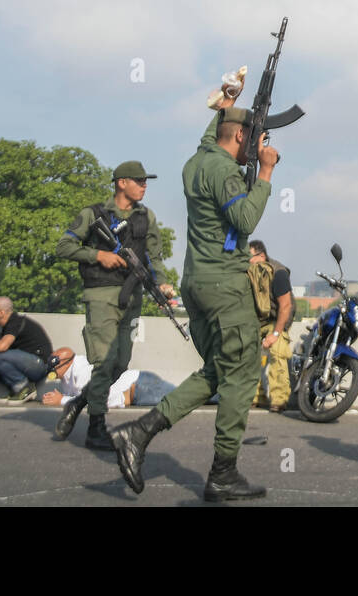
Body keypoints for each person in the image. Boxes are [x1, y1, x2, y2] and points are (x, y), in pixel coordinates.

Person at [109, 105, 280, 502]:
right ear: (239, 137)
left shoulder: (197, 161)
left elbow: (212, 136)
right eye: (254, 141)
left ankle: (138, 433)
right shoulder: (223, 171)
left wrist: (225, 103)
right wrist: (267, 172)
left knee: (220, 371)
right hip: (225, 286)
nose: (257, 149)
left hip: (197, 284)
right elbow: (244, 219)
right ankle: (222, 473)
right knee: (240, 376)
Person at [54, 161, 172, 450]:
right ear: (121, 183)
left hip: (132, 295)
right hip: (101, 294)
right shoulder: (93, 214)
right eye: (139, 181)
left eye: (146, 181)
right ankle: (96, 428)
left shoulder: (147, 217)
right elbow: (64, 246)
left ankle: (79, 402)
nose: (144, 186)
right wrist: (98, 255)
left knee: (120, 365)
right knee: (104, 362)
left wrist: (163, 284)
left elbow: (154, 257)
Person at [0, 297, 54, 401]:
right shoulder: (8, 328)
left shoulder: (15, 322)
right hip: (33, 365)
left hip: (40, 365)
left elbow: (1, 347)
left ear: (1, 313)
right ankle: (19, 390)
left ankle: (23, 388)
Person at [40, 346, 173, 409]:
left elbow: (96, 398)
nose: (53, 370)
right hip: (137, 391)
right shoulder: (66, 378)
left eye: (56, 364)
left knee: (186, 397)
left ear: (67, 362)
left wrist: (62, 400)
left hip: (142, 387)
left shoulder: (81, 371)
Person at [248, 240, 294, 413]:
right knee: (250, 354)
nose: (247, 262)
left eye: (249, 257)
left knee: (277, 351)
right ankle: (255, 397)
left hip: (279, 318)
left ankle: (279, 400)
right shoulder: (250, 272)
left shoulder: (278, 272)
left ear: (261, 256)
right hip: (259, 319)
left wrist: (275, 333)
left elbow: (286, 306)